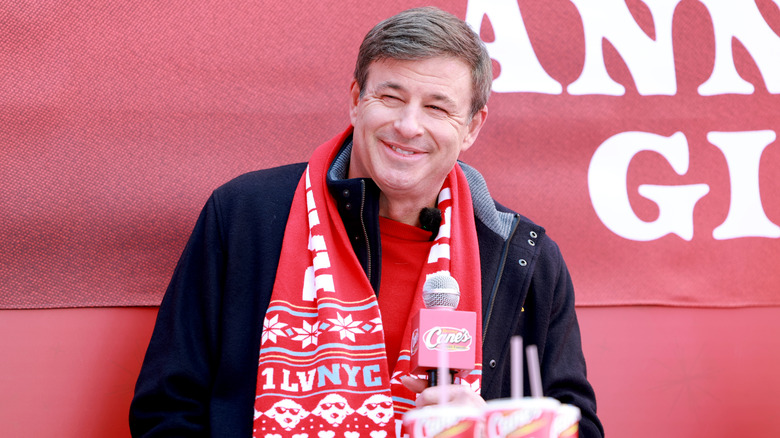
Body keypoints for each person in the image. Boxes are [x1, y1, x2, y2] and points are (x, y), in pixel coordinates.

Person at [130, 6, 604, 438]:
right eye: (391, 97)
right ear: (357, 99)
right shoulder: (244, 216)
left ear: (473, 126)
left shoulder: (523, 256)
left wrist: (488, 430)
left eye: (437, 107)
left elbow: (579, 427)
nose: (408, 126)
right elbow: (167, 409)